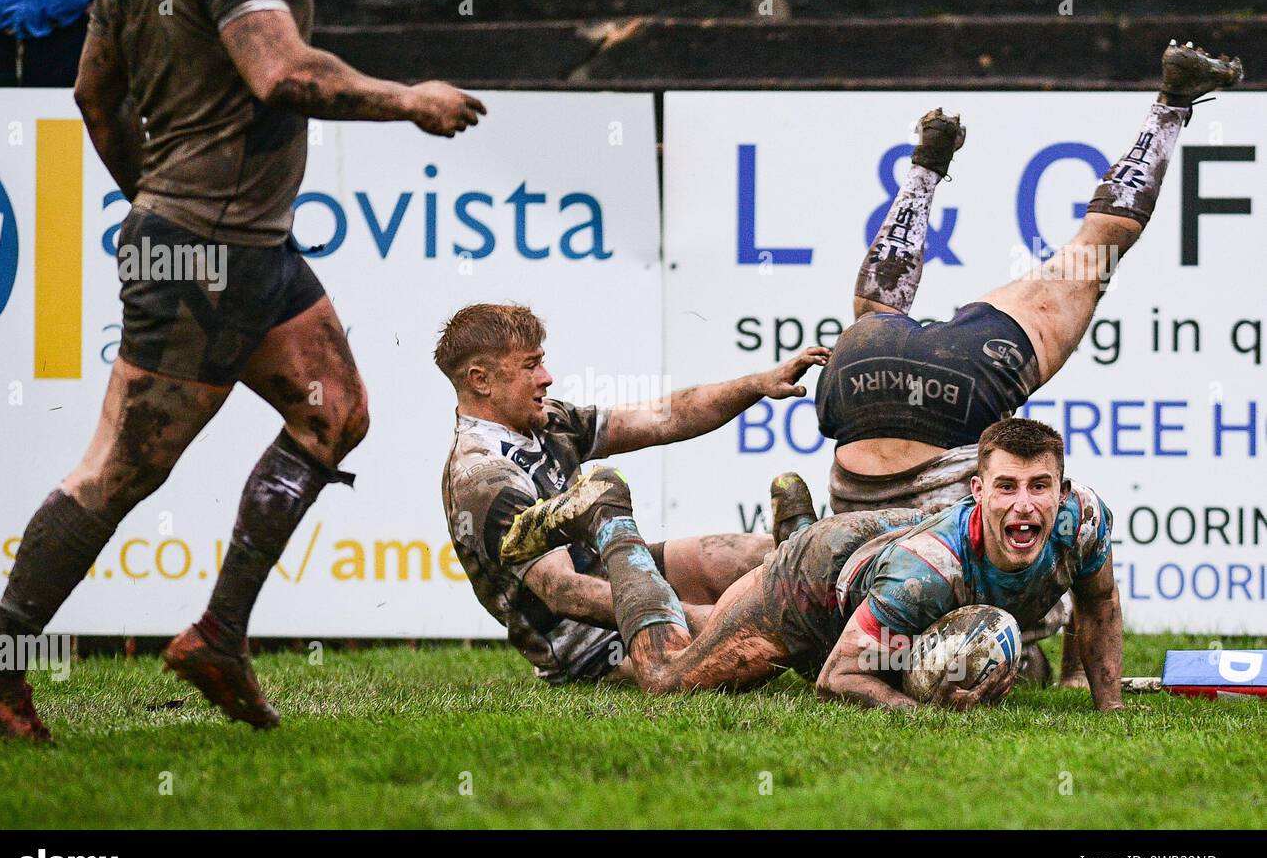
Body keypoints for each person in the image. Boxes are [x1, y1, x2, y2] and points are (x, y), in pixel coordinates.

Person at [0, 0, 487, 741]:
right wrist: (409, 99)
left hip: (245, 244)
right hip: (211, 248)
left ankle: (218, 636)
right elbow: (281, 71)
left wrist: (151, 202)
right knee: (115, 471)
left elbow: (92, 95)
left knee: (335, 414)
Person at [810, 41, 1243, 684]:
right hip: (886, 381)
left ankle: (1165, 106)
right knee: (1081, 262)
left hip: (865, 379)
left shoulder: (913, 589)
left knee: (1083, 262)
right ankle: (1170, 103)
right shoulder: (968, 576)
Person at [498, 418, 1125, 712]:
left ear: (1063, 489)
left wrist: (1107, 706)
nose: (1025, 504)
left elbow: (1099, 604)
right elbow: (840, 679)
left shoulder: (1084, 522)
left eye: (1040, 486)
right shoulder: (927, 570)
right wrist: (927, 715)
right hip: (805, 585)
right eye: (1007, 487)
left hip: (857, 556)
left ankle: (796, 521)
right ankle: (611, 518)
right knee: (668, 676)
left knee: (1011, 662)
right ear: (977, 494)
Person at [436, 303, 829, 683]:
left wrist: (756, 385)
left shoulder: (545, 421)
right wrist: (701, 618)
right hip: (593, 644)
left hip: (622, 578)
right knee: (755, 633)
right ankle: (817, 643)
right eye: (530, 365)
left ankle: (819, 592)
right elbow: (564, 592)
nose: (547, 376)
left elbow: (662, 418)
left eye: (541, 360)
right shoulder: (482, 477)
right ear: (480, 380)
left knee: (759, 559)